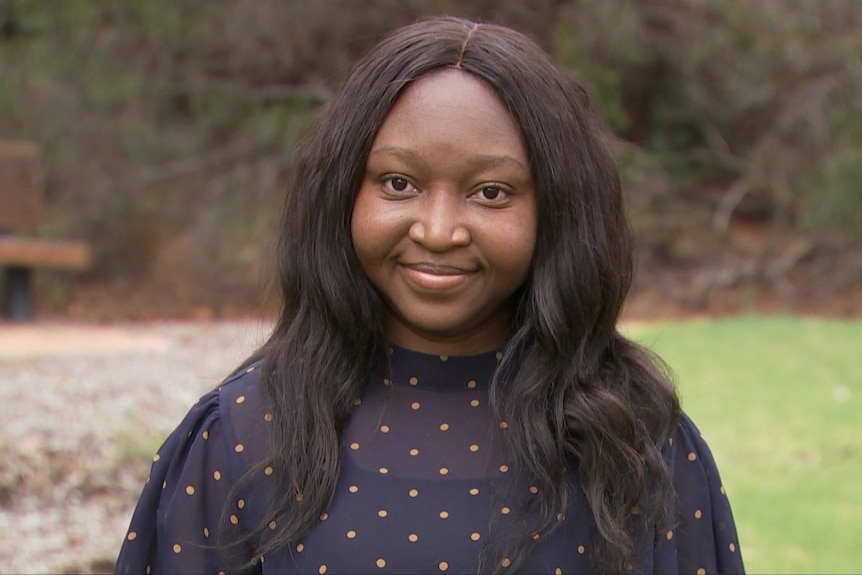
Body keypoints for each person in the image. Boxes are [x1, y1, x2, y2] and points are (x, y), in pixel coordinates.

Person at [115, 16, 744, 575]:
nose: (438, 231)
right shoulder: (242, 436)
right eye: (398, 183)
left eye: (490, 192)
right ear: (343, 194)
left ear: (558, 211)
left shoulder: (638, 444)